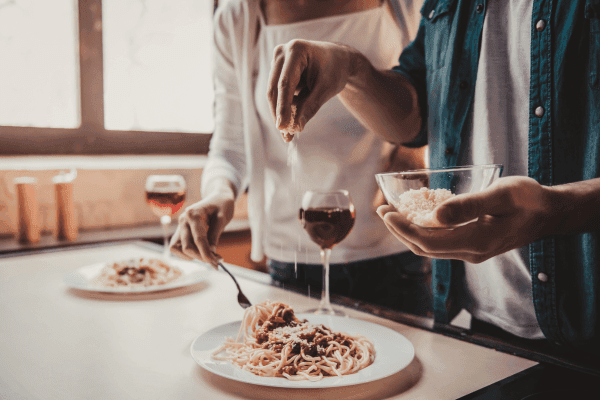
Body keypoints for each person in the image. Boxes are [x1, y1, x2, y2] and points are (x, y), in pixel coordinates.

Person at [266, 0, 600, 357]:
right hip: (482, 323)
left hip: (587, 326)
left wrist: (556, 210)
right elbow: (414, 114)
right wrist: (351, 69)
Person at [170, 0, 431, 313]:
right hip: (290, 261)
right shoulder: (236, 18)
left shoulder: (406, 6)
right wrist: (218, 194)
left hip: (393, 255)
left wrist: (413, 150)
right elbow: (230, 146)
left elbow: (426, 111)